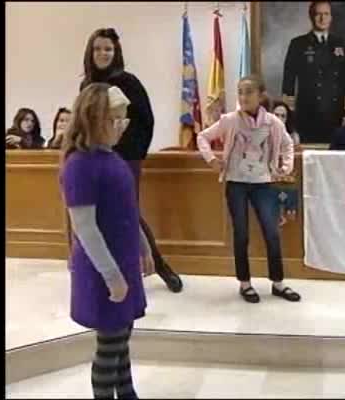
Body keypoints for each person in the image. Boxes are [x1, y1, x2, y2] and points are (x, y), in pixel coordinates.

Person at [60, 83, 153, 399]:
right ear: (93, 119)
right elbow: (85, 229)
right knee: (109, 345)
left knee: (122, 337)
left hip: (123, 260)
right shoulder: (80, 166)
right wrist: (112, 276)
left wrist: (144, 245)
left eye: (124, 120)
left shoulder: (112, 158)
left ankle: (127, 393)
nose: (121, 128)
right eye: (115, 120)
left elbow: (128, 209)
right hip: (103, 269)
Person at [80, 27, 183, 293]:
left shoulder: (128, 82)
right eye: (98, 48)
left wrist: (129, 153)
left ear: (116, 53)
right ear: (90, 52)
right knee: (100, 215)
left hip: (124, 159)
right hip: (94, 161)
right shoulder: (86, 85)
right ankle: (109, 271)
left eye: (108, 49)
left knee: (129, 213)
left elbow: (145, 122)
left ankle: (159, 265)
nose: (103, 53)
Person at [197, 74, 301, 304]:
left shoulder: (273, 122)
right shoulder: (230, 120)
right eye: (240, 92)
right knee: (241, 233)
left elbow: (287, 144)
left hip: (262, 183)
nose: (243, 97)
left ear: (261, 95)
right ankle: (245, 283)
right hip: (236, 184)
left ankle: (278, 283)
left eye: (249, 92)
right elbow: (202, 137)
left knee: (272, 232)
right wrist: (212, 160)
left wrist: (286, 166)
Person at [282, 1, 345, 144]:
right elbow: (288, 81)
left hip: (335, 114)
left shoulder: (339, 43)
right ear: (311, 17)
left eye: (326, 14)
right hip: (308, 113)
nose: (322, 18)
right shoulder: (298, 44)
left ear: (331, 17)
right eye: (318, 14)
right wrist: (289, 115)